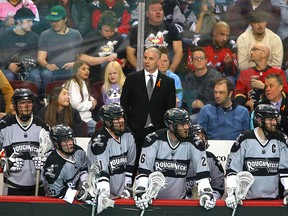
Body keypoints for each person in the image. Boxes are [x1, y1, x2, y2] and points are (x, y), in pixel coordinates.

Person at [134, 108, 216, 210]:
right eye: (182, 125)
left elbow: (202, 173)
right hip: (153, 201)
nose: (186, 127)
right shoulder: (153, 139)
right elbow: (143, 172)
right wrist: (142, 191)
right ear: (171, 126)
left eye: (187, 123)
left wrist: (206, 192)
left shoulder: (195, 142)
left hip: (179, 202)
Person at [120, 47, 176, 174]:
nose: (147, 61)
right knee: (134, 165)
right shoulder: (132, 79)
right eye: (145, 58)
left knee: (157, 168)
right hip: (136, 130)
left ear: (158, 61)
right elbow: (124, 105)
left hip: (159, 131)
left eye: (151, 58)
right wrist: (127, 126)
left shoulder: (168, 82)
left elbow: (170, 110)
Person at [225, 104, 288, 207]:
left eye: (275, 119)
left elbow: (285, 171)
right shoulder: (244, 139)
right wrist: (231, 192)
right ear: (259, 120)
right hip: (247, 203)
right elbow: (232, 170)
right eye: (270, 119)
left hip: (273, 202)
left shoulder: (281, 139)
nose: (274, 123)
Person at [0, 88, 50, 195]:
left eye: (29, 102)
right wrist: (5, 163)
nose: (26, 106)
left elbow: (53, 155)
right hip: (12, 186)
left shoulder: (42, 126)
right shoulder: (4, 126)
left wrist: (45, 161)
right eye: (22, 103)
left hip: (38, 187)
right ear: (15, 105)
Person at [86, 103, 136, 199]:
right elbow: (101, 173)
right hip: (101, 191)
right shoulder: (99, 140)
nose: (121, 121)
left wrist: (127, 189)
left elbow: (130, 165)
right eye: (116, 119)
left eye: (121, 117)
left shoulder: (128, 134)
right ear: (107, 122)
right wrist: (104, 195)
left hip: (122, 194)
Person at [42, 124, 94, 204]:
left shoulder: (78, 151)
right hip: (56, 205)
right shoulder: (52, 165)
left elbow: (84, 169)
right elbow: (56, 192)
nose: (70, 143)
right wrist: (80, 194)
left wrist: (86, 185)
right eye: (65, 141)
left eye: (70, 139)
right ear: (56, 144)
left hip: (75, 198)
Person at [126, 0, 183, 73]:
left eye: (160, 9)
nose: (158, 12)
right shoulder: (137, 29)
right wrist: (141, 71)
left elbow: (179, 51)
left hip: (165, 70)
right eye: (153, 10)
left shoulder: (172, 28)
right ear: (147, 13)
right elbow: (129, 54)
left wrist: (170, 71)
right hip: (143, 70)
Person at [37, 5, 83, 96]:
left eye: (57, 21)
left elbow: (81, 57)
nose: (54, 24)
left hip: (70, 68)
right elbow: (40, 58)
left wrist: (74, 64)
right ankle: (46, 98)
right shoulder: (45, 35)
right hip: (52, 70)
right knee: (46, 74)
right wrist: (47, 65)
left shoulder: (75, 34)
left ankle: (78, 97)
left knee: (78, 71)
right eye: (52, 21)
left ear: (65, 19)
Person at [234, 43, 288, 112]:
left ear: (263, 54)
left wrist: (264, 87)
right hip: (250, 111)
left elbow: (285, 94)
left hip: (274, 110)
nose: (251, 52)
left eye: (254, 50)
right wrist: (246, 103)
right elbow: (238, 95)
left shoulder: (278, 72)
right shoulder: (245, 73)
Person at [0, 7, 41, 90]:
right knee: (8, 75)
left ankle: (36, 100)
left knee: (35, 76)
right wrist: (8, 65)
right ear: (19, 21)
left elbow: (39, 58)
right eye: (29, 21)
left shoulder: (35, 38)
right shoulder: (4, 37)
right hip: (9, 69)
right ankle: (10, 101)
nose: (32, 24)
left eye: (32, 21)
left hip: (30, 69)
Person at [79, 10, 125, 84]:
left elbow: (124, 58)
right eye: (106, 31)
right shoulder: (91, 37)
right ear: (100, 27)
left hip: (114, 78)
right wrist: (106, 59)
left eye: (112, 31)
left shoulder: (119, 38)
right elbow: (82, 57)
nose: (109, 34)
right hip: (94, 77)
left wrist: (122, 63)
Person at [182, 47, 222, 123]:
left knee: (189, 121)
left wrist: (204, 105)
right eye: (196, 58)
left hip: (214, 112)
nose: (199, 60)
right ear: (192, 61)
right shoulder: (188, 78)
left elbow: (222, 99)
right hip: (193, 112)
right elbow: (186, 99)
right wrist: (192, 102)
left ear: (206, 60)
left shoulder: (216, 77)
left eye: (201, 58)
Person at [186, 124, 224, 200]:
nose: (198, 140)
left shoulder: (211, 158)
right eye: (194, 137)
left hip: (208, 201)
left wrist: (211, 197)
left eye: (201, 136)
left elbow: (219, 186)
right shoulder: (180, 158)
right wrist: (187, 200)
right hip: (183, 202)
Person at [64, 61, 97, 137]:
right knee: (102, 130)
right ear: (76, 70)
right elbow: (77, 105)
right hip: (82, 120)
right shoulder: (73, 84)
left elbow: (85, 96)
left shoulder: (83, 82)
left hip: (87, 118)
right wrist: (91, 104)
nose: (87, 71)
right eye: (83, 69)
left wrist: (92, 99)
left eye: (88, 69)